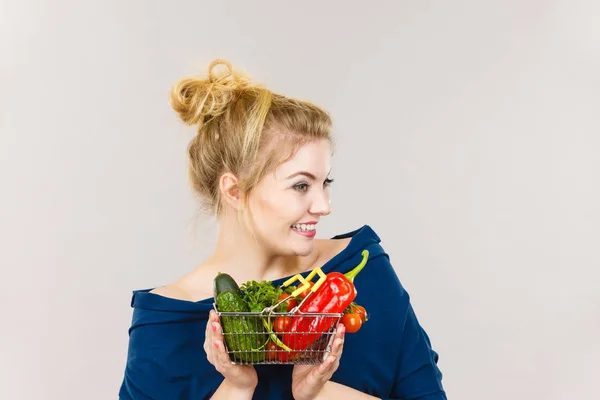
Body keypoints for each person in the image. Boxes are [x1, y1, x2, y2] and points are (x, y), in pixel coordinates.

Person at [119, 59, 447, 400]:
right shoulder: (164, 327)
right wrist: (237, 387)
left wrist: (317, 394)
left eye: (325, 182)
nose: (324, 206)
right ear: (235, 191)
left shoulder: (359, 273)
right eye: (301, 186)